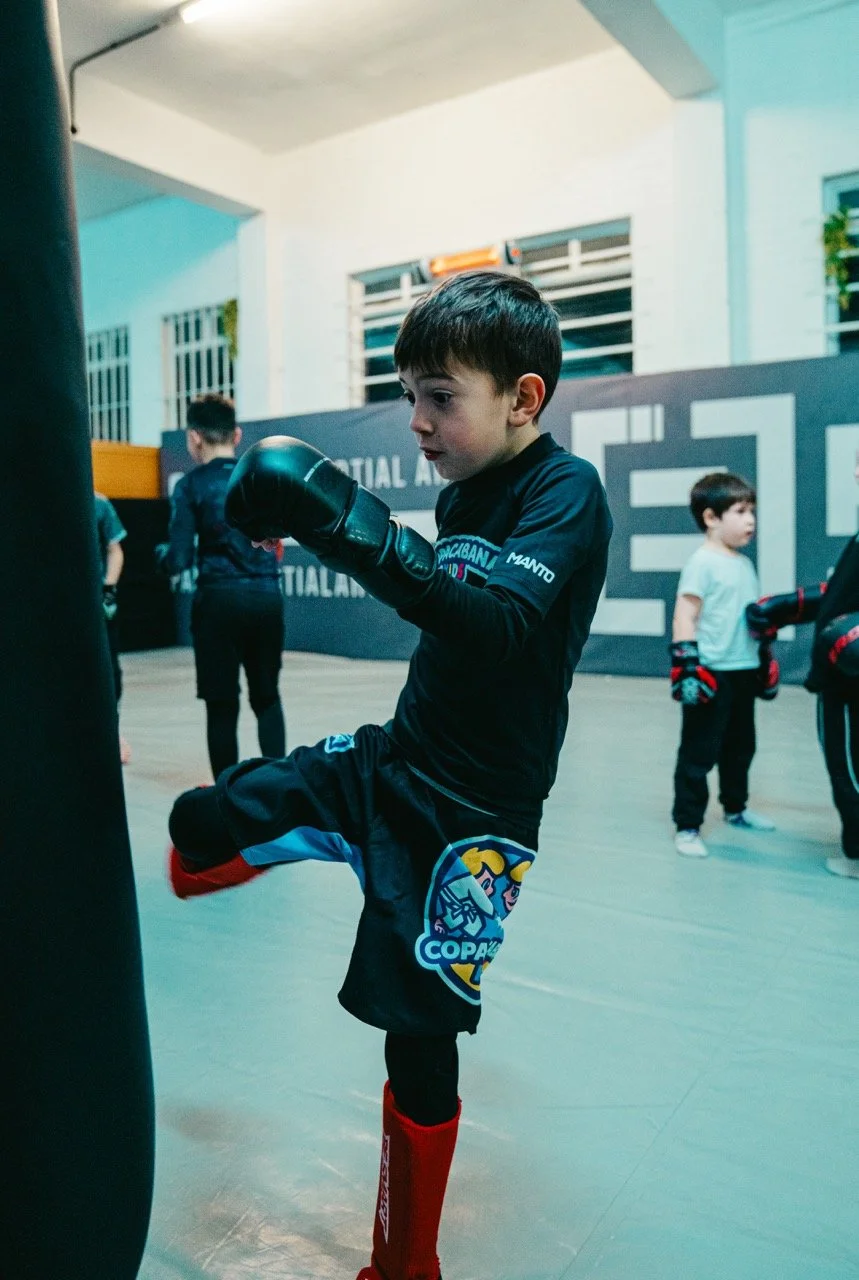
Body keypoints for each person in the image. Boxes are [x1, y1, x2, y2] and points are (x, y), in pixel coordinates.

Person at [165, 271, 612, 1280]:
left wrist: (341, 521)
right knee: (205, 820)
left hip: (473, 818)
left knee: (415, 1038)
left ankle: (406, 1262)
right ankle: (267, 842)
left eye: (439, 395)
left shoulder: (562, 492)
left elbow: (495, 624)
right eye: (407, 392)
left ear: (524, 397)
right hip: (395, 756)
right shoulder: (463, 487)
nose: (417, 420)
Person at [159, 393, 286, 780]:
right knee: (267, 698)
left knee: (221, 706)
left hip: (217, 604)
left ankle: (227, 802)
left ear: (195, 437)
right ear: (237, 434)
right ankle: (281, 793)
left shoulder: (191, 486)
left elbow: (177, 559)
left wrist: (159, 554)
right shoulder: (260, 476)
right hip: (266, 598)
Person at [747, 451, 859, 878]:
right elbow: (841, 594)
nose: (856, 471)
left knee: (849, 769)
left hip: (850, 689)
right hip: (840, 683)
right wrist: (785, 607)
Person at [670, 472, 777, 859]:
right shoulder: (702, 563)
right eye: (741, 511)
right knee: (699, 751)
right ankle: (687, 825)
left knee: (740, 746)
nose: (751, 520)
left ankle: (737, 808)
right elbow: (686, 612)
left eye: (753, 512)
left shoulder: (744, 565)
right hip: (711, 672)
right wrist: (686, 663)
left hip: (743, 670)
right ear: (711, 517)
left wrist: (764, 656)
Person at [95, 491, 132, 765]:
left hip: (98, 604)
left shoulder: (99, 504)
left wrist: (108, 587)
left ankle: (112, 732)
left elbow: (115, 549)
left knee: (110, 672)